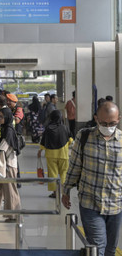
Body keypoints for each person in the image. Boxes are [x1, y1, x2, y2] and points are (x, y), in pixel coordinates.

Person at [62, 101, 122, 256]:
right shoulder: (84, 136)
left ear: (119, 119)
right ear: (96, 118)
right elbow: (74, 166)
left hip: (116, 204)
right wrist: (66, 190)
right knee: (97, 246)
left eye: (112, 123)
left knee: (110, 248)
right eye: (103, 122)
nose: (108, 126)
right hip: (90, 202)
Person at [0, 103, 21, 222]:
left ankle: (13, 214)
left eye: (1, 117)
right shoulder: (5, 129)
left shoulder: (9, 130)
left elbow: (3, 148)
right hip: (5, 164)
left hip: (8, 165)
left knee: (10, 190)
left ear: (7, 117)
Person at [38, 110, 72, 199]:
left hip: (51, 155)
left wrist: (40, 151)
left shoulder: (48, 129)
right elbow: (71, 140)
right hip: (63, 154)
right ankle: (64, 192)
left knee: (52, 174)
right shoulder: (65, 127)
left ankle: (55, 192)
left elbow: (43, 141)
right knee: (64, 173)